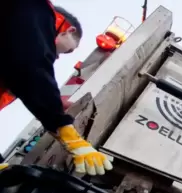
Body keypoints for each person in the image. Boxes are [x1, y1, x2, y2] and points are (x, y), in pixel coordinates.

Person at [0, 1, 112, 176]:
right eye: (66, 51)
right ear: (69, 30)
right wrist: (63, 126)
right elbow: (32, 65)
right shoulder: (34, 9)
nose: (57, 57)